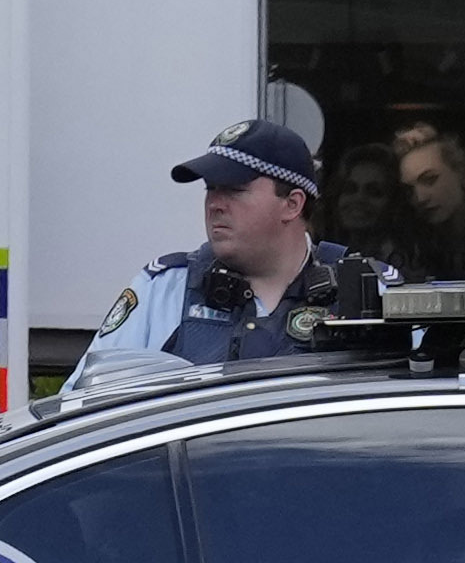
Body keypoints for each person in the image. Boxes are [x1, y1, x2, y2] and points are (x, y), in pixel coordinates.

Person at [107, 81, 391, 369]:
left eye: (234, 189)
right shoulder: (165, 288)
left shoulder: (370, 288)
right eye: (211, 188)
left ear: (292, 204)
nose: (215, 203)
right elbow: (92, 400)